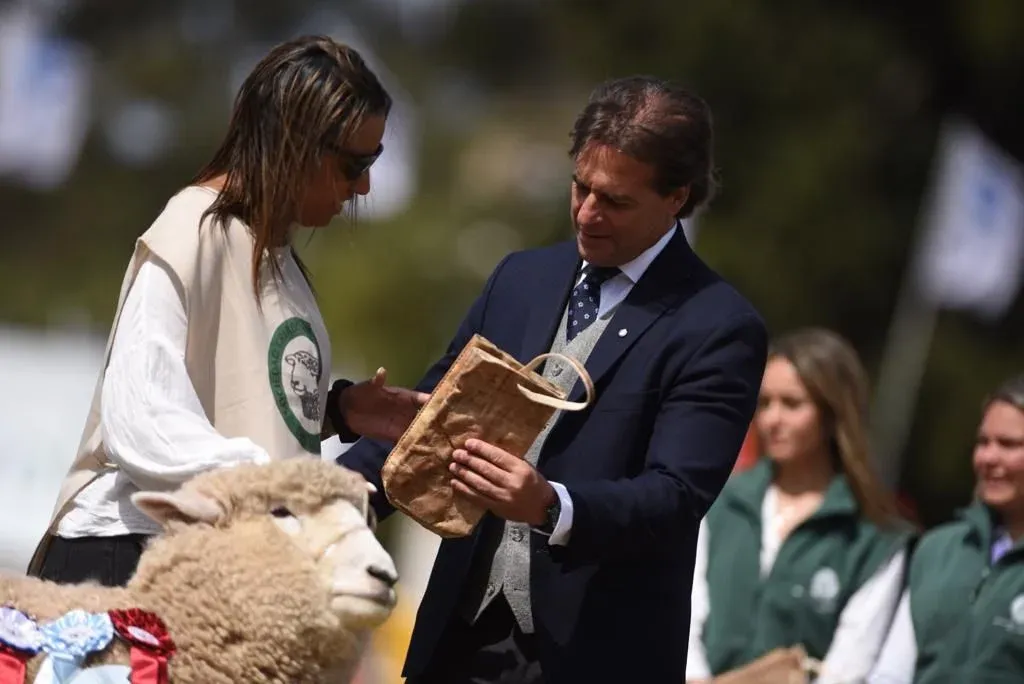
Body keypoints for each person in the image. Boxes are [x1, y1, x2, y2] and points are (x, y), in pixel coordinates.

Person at [338, 75, 768, 683]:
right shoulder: (520, 278)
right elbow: (427, 418)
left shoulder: (719, 326)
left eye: (615, 200)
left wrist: (552, 506)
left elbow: (674, 497)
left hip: (597, 659)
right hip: (458, 643)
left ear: (677, 197)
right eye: (580, 186)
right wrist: (327, 503)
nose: (587, 213)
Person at [27, 35, 426, 587]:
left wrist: (338, 411)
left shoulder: (278, 261)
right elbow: (141, 417)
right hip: (130, 553)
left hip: (211, 560)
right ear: (294, 145)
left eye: (373, 160)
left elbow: (233, 401)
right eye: (353, 163)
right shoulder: (191, 229)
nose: (364, 185)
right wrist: (290, 488)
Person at [686, 328, 912, 684]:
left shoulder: (874, 537)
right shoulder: (719, 500)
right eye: (765, 403)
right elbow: (686, 616)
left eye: (791, 404)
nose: (772, 419)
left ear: (832, 413)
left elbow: (847, 670)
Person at [869, 374, 1024, 684]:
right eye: (983, 442)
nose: (988, 457)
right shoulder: (938, 550)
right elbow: (892, 673)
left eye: (1008, 444)